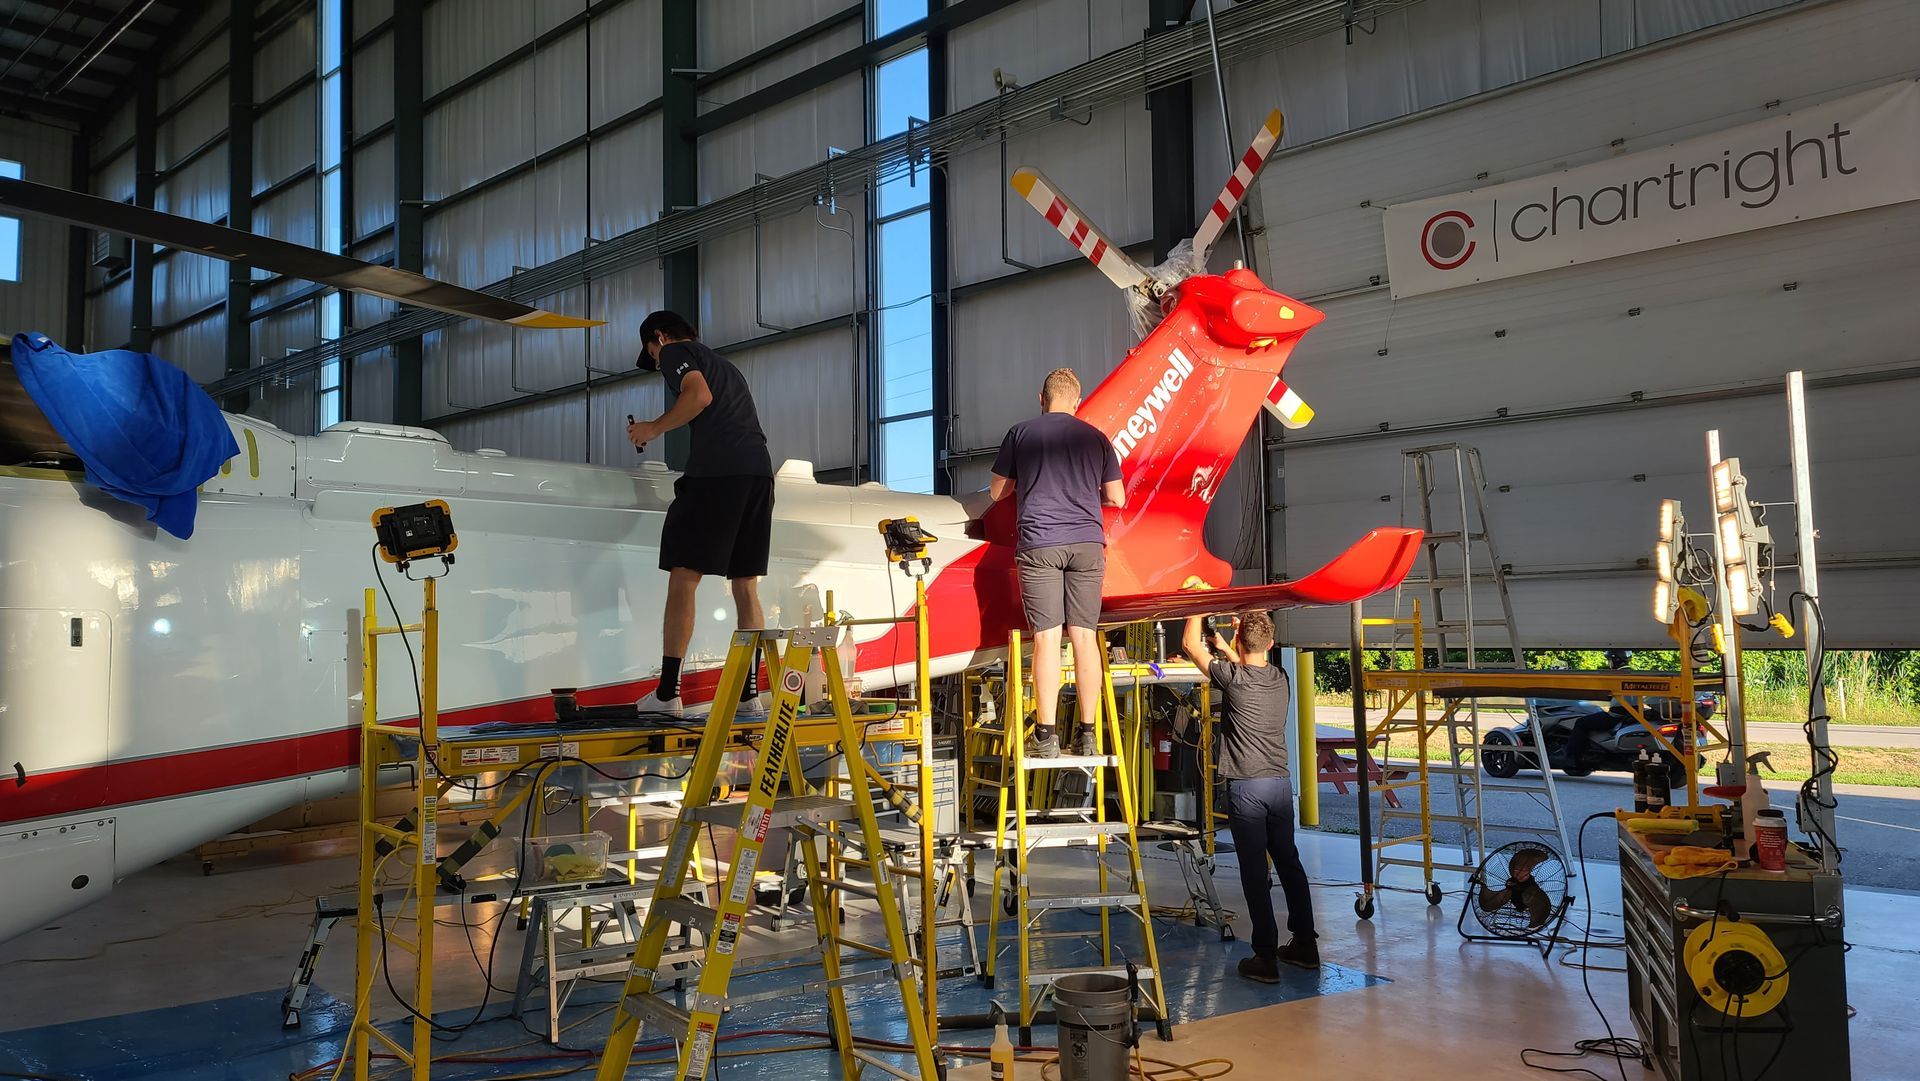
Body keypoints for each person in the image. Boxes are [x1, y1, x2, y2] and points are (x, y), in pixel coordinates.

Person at [629, 310, 773, 715]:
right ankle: (748, 695)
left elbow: (698, 396)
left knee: (683, 575)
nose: (657, 362)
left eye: (652, 354)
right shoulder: (726, 366)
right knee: (745, 584)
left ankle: (667, 694)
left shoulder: (677, 353)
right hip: (758, 473)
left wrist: (652, 428)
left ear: (660, 337)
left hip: (718, 472)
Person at [989, 368, 1126, 758]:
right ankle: (1088, 733)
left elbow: (998, 492)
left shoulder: (1021, 434)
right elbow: (1117, 497)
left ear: (1041, 398)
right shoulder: (1096, 439)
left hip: (1040, 544)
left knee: (1047, 639)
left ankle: (1046, 737)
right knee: (1084, 638)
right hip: (1086, 545)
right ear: (1077, 402)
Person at [1180, 608, 1320, 979]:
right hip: (1279, 785)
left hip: (1247, 789)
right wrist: (1229, 646)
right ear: (1271, 645)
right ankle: (1305, 944)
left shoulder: (1234, 679)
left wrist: (1198, 604)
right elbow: (1248, 666)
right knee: (1289, 863)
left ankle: (1265, 956)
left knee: (1255, 873)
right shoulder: (1280, 677)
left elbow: (1190, 644)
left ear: (1241, 643)